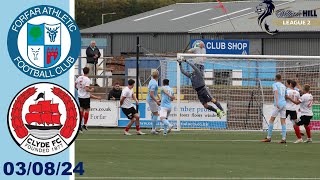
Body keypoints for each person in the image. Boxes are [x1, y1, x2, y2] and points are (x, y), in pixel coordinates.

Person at [262, 74, 287, 143]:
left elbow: (276, 92)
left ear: (275, 78)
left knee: (271, 120)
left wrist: (277, 102)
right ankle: (284, 138)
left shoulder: (275, 84)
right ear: (281, 78)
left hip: (279, 104)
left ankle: (268, 137)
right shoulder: (284, 86)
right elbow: (285, 95)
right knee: (283, 121)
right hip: (284, 103)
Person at [75, 67, 101, 132]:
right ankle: (85, 124)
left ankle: (79, 125)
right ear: (88, 72)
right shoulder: (87, 79)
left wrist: (79, 89)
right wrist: (91, 90)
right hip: (85, 97)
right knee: (87, 110)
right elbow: (86, 89)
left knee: (81, 110)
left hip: (80, 96)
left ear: (83, 71)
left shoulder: (79, 77)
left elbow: (75, 85)